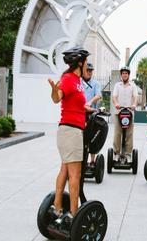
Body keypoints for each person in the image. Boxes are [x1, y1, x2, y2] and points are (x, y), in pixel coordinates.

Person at [47, 46, 91, 225]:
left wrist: (89, 109)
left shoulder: (77, 81)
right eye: (86, 62)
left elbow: (76, 104)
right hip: (70, 132)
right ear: (79, 63)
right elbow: (58, 98)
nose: (88, 66)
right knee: (75, 174)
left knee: (65, 170)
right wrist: (53, 89)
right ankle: (73, 215)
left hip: (71, 130)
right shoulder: (68, 78)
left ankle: (56, 207)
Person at [112, 66, 138, 162]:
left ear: (128, 75)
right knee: (117, 134)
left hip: (129, 113)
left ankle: (128, 154)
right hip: (119, 112)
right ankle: (116, 153)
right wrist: (116, 104)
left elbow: (135, 96)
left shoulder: (133, 85)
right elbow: (114, 96)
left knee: (129, 134)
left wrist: (134, 104)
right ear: (121, 75)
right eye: (123, 73)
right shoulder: (117, 85)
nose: (124, 75)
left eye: (126, 73)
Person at [82, 62, 102, 166]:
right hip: (80, 113)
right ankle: (82, 160)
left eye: (90, 71)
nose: (89, 72)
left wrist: (90, 102)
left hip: (92, 114)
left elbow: (98, 95)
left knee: (92, 137)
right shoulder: (79, 82)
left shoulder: (96, 83)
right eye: (87, 70)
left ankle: (92, 161)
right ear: (83, 71)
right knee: (82, 138)